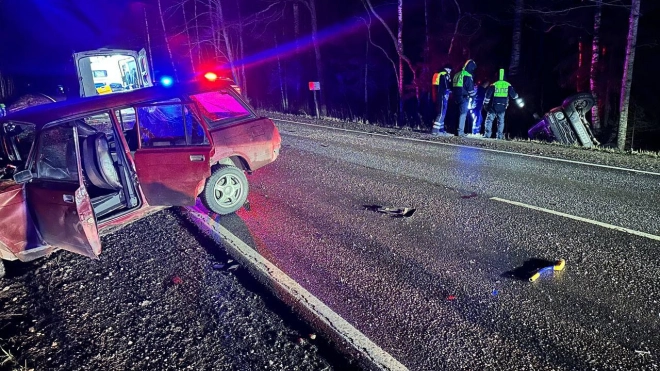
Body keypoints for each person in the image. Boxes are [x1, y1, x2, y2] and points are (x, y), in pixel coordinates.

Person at [483, 69, 524, 139]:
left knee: (489, 120)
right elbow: (514, 96)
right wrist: (517, 95)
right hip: (502, 107)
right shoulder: (508, 85)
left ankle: (487, 135)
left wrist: (485, 104)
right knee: (501, 122)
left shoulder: (494, 84)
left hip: (493, 106)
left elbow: (488, 95)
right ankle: (499, 136)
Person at [452, 59, 477, 137]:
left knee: (457, 114)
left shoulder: (457, 74)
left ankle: (455, 130)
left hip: (455, 97)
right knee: (463, 114)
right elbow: (470, 89)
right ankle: (460, 132)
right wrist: (473, 97)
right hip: (463, 97)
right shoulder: (467, 75)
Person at [431, 64, 453, 136]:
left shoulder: (436, 74)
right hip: (442, 96)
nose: (450, 71)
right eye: (450, 70)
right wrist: (449, 91)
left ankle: (441, 129)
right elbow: (446, 86)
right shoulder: (444, 74)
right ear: (447, 69)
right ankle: (435, 130)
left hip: (437, 96)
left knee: (441, 112)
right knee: (441, 112)